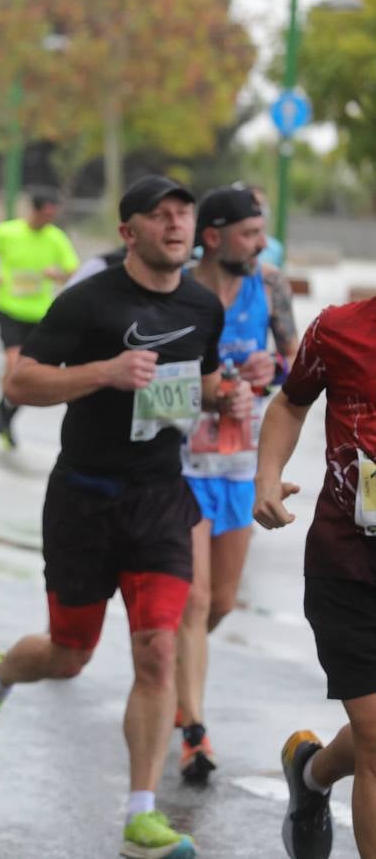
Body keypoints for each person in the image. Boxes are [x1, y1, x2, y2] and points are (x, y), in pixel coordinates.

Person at [0, 176, 252, 858]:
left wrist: (226, 395)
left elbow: (196, 382)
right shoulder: (88, 300)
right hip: (84, 498)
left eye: (184, 213)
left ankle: (141, 816)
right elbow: (20, 382)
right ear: (129, 232)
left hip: (160, 499)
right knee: (69, 655)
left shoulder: (203, 305)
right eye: (160, 214)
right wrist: (104, 373)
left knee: (157, 650)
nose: (177, 224)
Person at [174, 186, 300, 782]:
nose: (260, 245)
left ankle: (176, 670)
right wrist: (208, 386)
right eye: (250, 234)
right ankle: (193, 732)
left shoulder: (269, 286)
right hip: (178, 464)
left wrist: (268, 370)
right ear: (216, 235)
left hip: (238, 463)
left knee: (221, 602)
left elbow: (294, 364)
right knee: (194, 599)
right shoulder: (178, 286)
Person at [254, 294, 375, 859]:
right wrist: (266, 477)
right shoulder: (338, 329)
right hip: (348, 562)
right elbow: (290, 403)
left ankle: (312, 772)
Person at [0, 186, 79, 449]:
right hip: (9, 308)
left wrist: (56, 274)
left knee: (30, 372)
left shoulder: (56, 238)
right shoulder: (7, 232)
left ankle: (5, 412)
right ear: (34, 210)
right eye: (46, 214)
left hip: (40, 313)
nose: (49, 219)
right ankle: (5, 409)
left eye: (53, 215)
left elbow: (73, 270)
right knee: (13, 363)